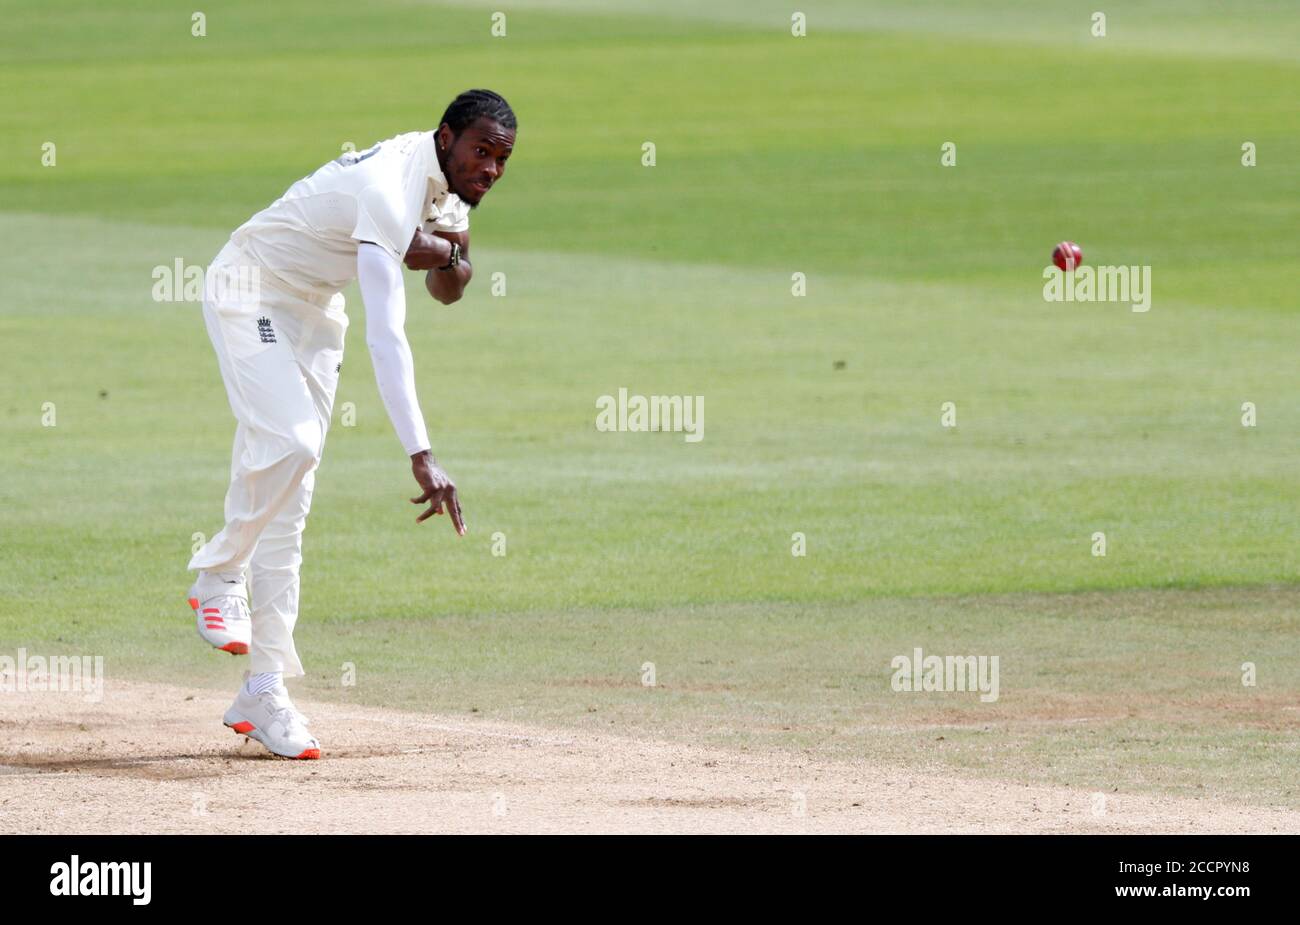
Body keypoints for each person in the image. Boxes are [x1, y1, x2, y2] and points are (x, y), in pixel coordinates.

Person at [185, 89, 517, 759]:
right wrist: (420, 452)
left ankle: (264, 688)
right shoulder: (389, 189)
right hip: (252, 289)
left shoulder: (449, 190)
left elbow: (447, 287)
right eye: (480, 151)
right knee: (294, 443)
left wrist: (448, 250)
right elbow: (387, 333)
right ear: (446, 135)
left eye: (502, 160)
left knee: (292, 500)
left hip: (313, 314)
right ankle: (218, 573)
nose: (490, 169)